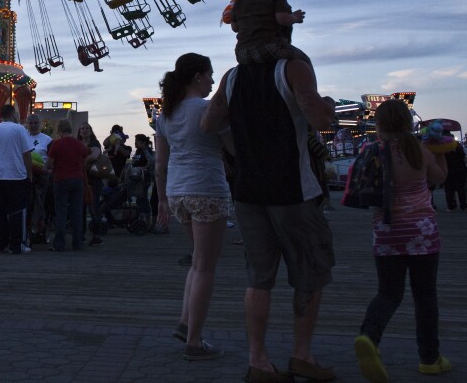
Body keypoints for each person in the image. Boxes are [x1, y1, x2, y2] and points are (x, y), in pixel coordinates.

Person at [201, 55, 336, 382]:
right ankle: (302, 355)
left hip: (248, 193)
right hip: (293, 191)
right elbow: (321, 120)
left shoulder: (232, 77)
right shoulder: (292, 67)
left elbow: (209, 124)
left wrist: (240, 143)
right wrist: (328, 103)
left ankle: (258, 361)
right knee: (310, 273)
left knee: (259, 277)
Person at [354, 99, 451, 381]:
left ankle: (369, 337)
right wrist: (441, 152)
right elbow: (440, 178)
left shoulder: (372, 152)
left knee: (389, 293)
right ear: (408, 123)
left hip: (387, 232)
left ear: (380, 125)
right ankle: (430, 359)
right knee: (425, 296)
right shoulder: (421, 152)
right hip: (422, 232)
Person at [154, 54, 230, 361]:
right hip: (207, 188)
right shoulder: (207, 108)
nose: (212, 82)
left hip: (177, 192)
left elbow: (160, 164)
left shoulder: (166, 115)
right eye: (210, 76)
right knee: (206, 267)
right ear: (197, 77)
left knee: (198, 261)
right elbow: (234, 148)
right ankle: (195, 341)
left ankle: (186, 323)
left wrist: (161, 201)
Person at [0, 104, 33, 254]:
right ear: (13, 114)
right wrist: (29, 173)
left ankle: (0, 243)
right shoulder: (19, 129)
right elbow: (27, 154)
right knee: (17, 211)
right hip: (16, 175)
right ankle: (16, 244)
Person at [45, 120, 88, 251]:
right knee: (77, 212)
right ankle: (77, 243)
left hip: (61, 180)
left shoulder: (56, 144)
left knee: (61, 212)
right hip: (77, 180)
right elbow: (85, 160)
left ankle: (59, 244)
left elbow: (48, 165)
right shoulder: (79, 144)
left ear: (59, 131)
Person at [25, 114, 53, 242]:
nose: (33, 125)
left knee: (41, 203)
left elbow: (52, 158)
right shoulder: (23, 138)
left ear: (40, 124)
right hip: (26, 176)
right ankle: (29, 228)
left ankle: (40, 228)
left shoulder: (47, 140)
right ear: (27, 124)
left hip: (42, 176)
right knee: (29, 203)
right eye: (31, 123)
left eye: (36, 123)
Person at [77, 122, 105, 246]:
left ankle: (97, 236)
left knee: (93, 208)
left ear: (91, 130)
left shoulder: (95, 144)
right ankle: (81, 234)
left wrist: (79, 162)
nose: (84, 130)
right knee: (80, 209)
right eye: (82, 128)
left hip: (93, 180)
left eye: (87, 128)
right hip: (81, 180)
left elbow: (94, 156)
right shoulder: (77, 144)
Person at [443, 134, 466, 211]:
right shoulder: (457, 145)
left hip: (448, 170)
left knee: (449, 190)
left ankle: (451, 205)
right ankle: (463, 205)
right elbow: (462, 155)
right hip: (459, 170)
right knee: (461, 189)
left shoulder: (443, 147)